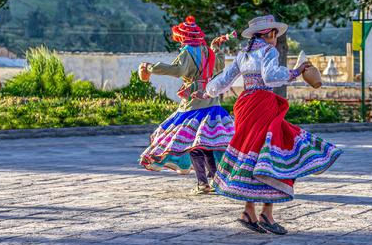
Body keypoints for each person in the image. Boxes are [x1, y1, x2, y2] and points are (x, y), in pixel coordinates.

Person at [192, 15, 343, 233]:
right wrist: (296, 71)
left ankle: (249, 211)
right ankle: (266, 214)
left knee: (252, 157)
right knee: (273, 156)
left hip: (245, 106)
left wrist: (206, 91)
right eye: (275, 34)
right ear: (270, 34)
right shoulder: (269, 51)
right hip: (263, 105)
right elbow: (271, 77)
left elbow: (224, 79)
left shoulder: (243, 54)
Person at [139, 16, 234, 194]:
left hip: (192, 105)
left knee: (193, 144)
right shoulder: (208, 51)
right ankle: (216, 181)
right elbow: (220, 66)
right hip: (212, 101)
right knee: (207, 144)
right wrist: (216, 48)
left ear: (183, 37)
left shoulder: (187, 52)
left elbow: (177, 70)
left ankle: (202, 183)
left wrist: (151, 67)